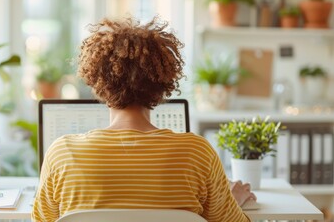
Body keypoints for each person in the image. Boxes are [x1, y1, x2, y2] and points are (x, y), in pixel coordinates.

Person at [32, 16, 256, 222]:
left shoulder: (62, 153)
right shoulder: (197, 153)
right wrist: (231, 201)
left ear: (97, 84)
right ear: (162, 87)